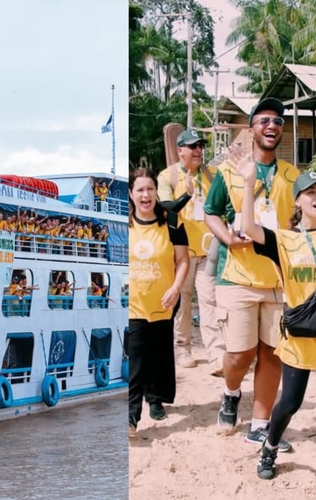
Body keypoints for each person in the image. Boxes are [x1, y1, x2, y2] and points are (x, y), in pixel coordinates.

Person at [239, 164, 316, 499]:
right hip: (299, 336)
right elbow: (248, 227)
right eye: (311, 192)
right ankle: (269, 445)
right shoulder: (283, 240)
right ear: (298, 201)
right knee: (290, 402)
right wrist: (250, 183)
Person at [203, 97, 298, 447]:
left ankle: (259, 425)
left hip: (277, 279)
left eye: (278, 121)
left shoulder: (293, 176)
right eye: (264, 121)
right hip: (238, 278)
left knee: (273, 353)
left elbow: (300, 223)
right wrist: (227, 237)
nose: (272, 126)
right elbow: (210, 211)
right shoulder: (228, 172)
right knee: (241, 354)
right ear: (251, 129)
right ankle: (230, 392)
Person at [157, 128, 226, 375]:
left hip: (208, 249)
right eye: (193, 146)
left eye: (201, 146)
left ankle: (217, 355)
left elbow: (226, 204)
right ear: (180, 150)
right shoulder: (168, 176)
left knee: (209, 300)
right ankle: (182, 348)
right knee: (182, 302)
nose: (198, 151)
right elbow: (167, 208)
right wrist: (187, 194)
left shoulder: (214, 174)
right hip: (181, 251)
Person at [127, 167, 189, 437]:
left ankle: (155, 399)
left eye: (150, 189)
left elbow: (183, 261)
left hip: (164, 299)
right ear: (131, 194)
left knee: (159, 351)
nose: (145, 195)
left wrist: (176, 287)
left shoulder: (172, 221)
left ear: (156, 192)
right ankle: (130, 417)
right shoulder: (123, 223)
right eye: (140, 190)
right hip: (133, 303)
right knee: (137, 356)